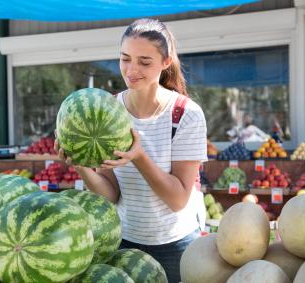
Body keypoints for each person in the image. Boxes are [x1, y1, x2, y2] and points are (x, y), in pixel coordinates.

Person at [55, 18, 207, 283]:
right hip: (123, 242)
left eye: (144, 62)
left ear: (165, 62)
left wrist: (138, 157)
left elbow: (178, 199)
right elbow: (111, 194)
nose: (131, 70)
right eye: (125, 59)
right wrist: (79, 164)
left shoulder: (186, 115)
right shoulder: (109, 110)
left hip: (176, 246)